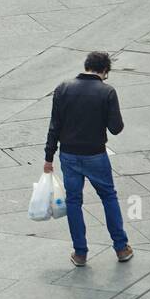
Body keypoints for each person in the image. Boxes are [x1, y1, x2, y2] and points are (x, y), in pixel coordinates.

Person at [44, 51, 133, 267]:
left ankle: (80, 253)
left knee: (74, 202)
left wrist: (49, 157)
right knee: (108, 197)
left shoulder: (63, 88)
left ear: (86, 65)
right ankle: (121, 248)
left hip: (69, 155)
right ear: (104, 70)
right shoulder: (107, 92)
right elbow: (116, 128)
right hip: (95, 154)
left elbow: (54, 125)